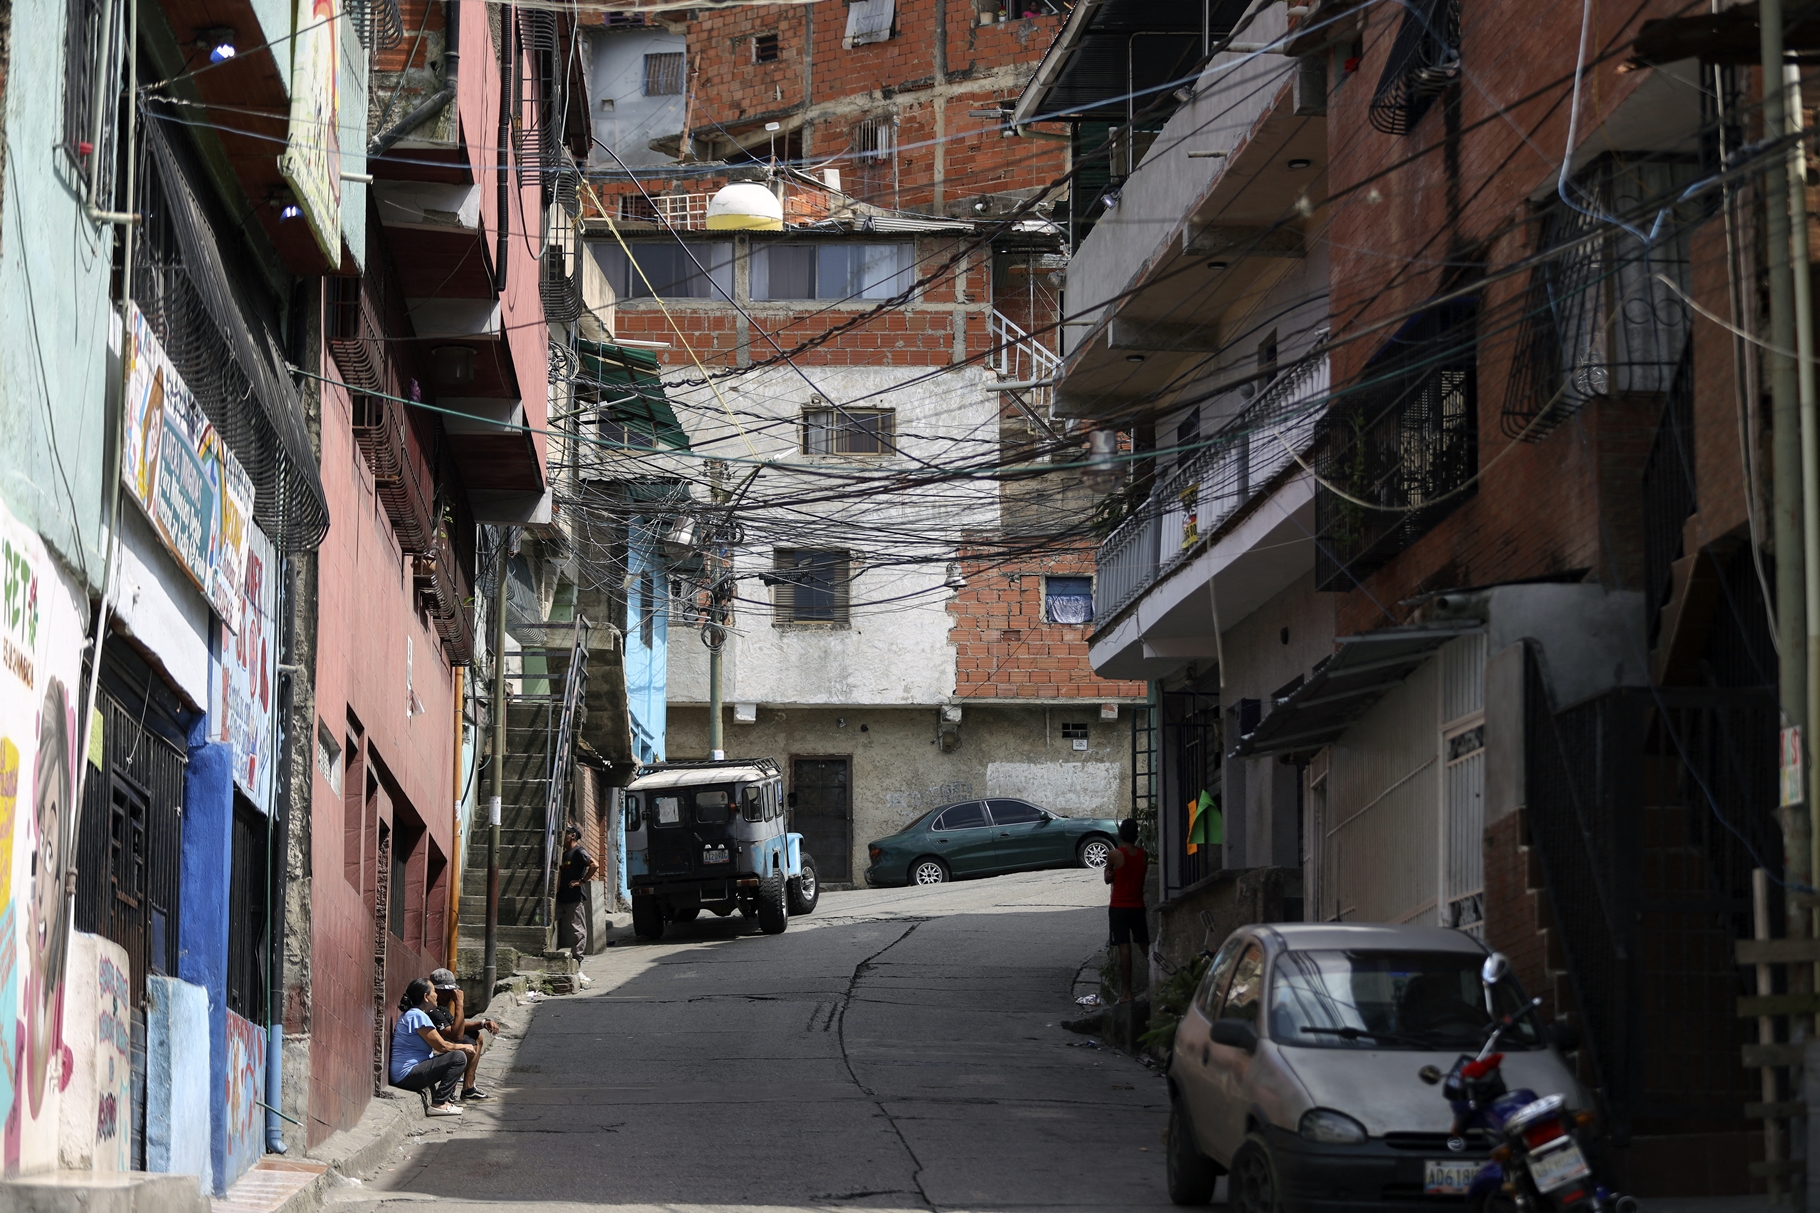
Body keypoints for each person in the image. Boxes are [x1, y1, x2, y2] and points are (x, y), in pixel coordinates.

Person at [389, 977, 473, 1116]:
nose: (437, 995)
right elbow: (442, 1046)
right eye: (434, 991)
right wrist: (464, 1047)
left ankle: (444, 1100)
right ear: (426, 997)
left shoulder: (414, 1015)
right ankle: (439, 1103)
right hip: (406, 1075)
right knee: (458, 1057)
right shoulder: (417, 1016)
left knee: (454, 1055)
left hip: (404, 1074)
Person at [427, 968, 500, 1101]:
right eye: (443, 991)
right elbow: (455, 1035)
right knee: (466, 1046)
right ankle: (449, 1090)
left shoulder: (441, 1007)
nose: (448, 995)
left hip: (444, 1045)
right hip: (434, 1052)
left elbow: (458, 1026)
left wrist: (483, 1023)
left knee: (476, 1036)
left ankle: (468, 1088)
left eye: (450, 991)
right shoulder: (431, 1009)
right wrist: (459, 1004)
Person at [1103, 819, 1149, 1005]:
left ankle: (1127, 993)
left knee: (1124, 949)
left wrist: (1110, 874)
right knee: (1146, 946)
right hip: (1137, 906)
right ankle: (1164, 977)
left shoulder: (1114, 855)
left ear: (1120, 835)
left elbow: (1107, 878)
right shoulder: (1143, 855)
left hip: (1119, 907)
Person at [555, 822, 600, 960]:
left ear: (573, 836)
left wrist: (582, 881)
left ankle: (577, 959)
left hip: (574, 897)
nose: (562, 836)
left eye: (565, 834)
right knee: (546, 920)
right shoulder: (563, 854)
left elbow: (594, 865)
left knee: (578, 929)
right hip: (560, 897)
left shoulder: (579, 852)